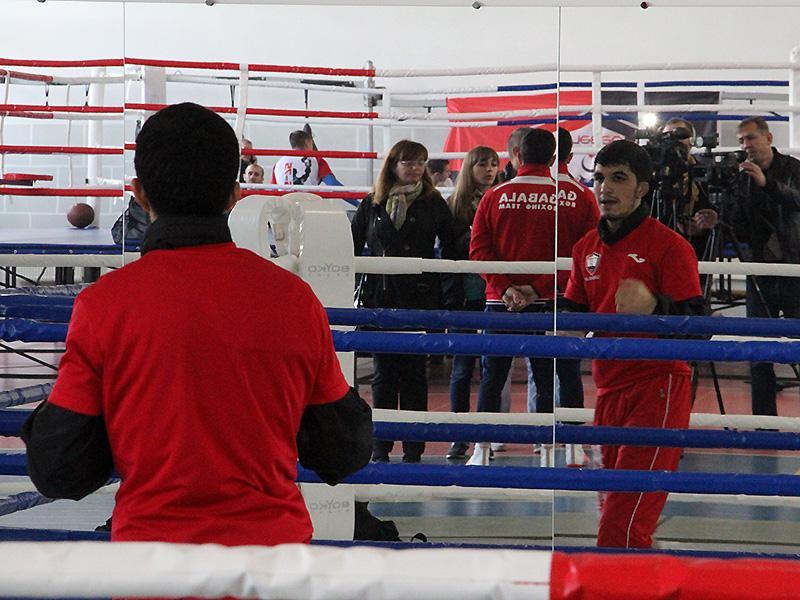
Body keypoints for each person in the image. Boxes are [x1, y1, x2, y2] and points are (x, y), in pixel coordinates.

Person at [22, 102, 372, 546]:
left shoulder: (104, 306)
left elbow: (59, 469)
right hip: (273, 560)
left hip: (153, 560)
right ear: (234, 195)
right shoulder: (293, 299)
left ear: (139, 193)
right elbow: (344, 450)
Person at [563, 139, 705, 548]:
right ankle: (640, 578)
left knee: (621, 525)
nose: (605, 188)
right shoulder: (585, 248)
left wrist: (655, 306)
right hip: (608, 389)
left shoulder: (669, 246)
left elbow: (699, 327)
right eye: (599, 178)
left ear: (642, 188)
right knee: (614, 511)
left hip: (657, 388)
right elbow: (574, 311)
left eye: (619, 178)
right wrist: (543, 309)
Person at [468, 128, 597, 464]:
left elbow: (478, 251)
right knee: (555, 372)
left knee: (493, 375)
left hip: (501, 302)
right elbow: (587, 254)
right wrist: (538, 287)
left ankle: (482, 448)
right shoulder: (578, 196)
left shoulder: (495, 196)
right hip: (553, 299)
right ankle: (563, 447)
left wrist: (505, 288)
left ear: (518, 156)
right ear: (554, 159)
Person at [351, 139, 468, 463]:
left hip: (418, 298)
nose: (415, 168)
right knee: (383, 376)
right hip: (380, 299)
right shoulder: (372, 203)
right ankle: (381, 446)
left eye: (420, 162)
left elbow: (452, 245)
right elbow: (351, 245)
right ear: (393, 165)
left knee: (415, 375)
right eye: (409, 161)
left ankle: (414, 448)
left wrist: (476, 228)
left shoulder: (432, 202)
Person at [731, 116, 800, 416]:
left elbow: (797, 200)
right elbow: (739, 228)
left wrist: (766, 184)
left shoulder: (793, 168)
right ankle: (763, 423)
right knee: (758, 350)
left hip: (794, 269)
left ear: (768, 138)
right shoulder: (742, 177)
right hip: (760, 270)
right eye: (741, 140)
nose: (746, 145)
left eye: (751, 138)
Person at [441, 146, 500, 460]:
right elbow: (449, 249)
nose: (489, 170)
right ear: (469, 168)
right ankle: (459, 436)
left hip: (495, 292)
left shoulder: (503, 200)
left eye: (493, 164)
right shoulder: (455, 205)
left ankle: (486, 438)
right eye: (482, 164)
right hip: (465, 293)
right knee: (462, 367)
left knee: (493, 369)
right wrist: (475, 236)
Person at [658, 118, 718, 259]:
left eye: (680, 134)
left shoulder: (705, 173)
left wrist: (704, 224)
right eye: (668, 136)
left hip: (697, 250)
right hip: (659, 248)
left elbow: (717, 215)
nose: (674, 141)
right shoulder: (654, 175)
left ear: (691, 141)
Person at [272, 129, 342, 187]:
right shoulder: (317, 160)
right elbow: (332, 183)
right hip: (308, 198)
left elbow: (273, 191)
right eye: (312, 144)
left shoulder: (278, 164)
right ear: (307, 142)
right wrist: (349, 196)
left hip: (285, 199)